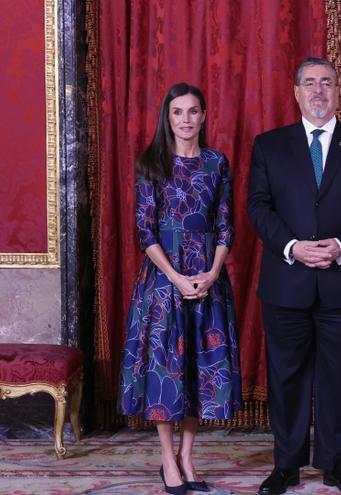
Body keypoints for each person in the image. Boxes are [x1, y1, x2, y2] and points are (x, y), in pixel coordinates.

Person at [247, 57, 341, 495]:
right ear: (296, 92)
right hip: (286, 281)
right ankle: (286, 464)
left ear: (338, 90)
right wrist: (292, 247)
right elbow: (258, 205)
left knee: (340, 376)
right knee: (286, 377)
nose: (318, 91)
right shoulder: (269, 145)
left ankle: (335, 463)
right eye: (309, 83)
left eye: (326, 82)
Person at [118, 82, 242, 495]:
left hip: (208, 281)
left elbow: (226, 226)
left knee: (198, 373)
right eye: (177, 112)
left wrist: (211, 273)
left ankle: (189, 457)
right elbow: (144, 231)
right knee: (166, 370)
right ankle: (167, 458)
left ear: (203, 116)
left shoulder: (216, 163)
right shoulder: (151, 164)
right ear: (166, 118)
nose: (186, 120)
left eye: (193, 112)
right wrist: (175, 277)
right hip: (163, 281)